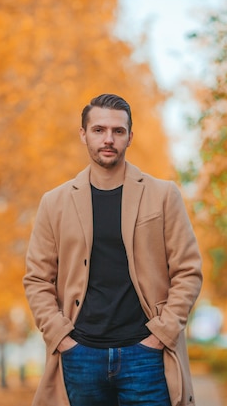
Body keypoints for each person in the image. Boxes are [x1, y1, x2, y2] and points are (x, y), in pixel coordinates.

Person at [23, 93, 203, 406]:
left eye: (118, 131)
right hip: (80, 356)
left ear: (130, 137)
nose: (109, 139)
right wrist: (62, 338)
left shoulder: (163, 196)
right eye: (99, 130)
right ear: (83, 134)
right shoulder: (55, 203)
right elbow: (37, 279)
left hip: (145, 355)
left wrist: (161, 335)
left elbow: (188, 271)